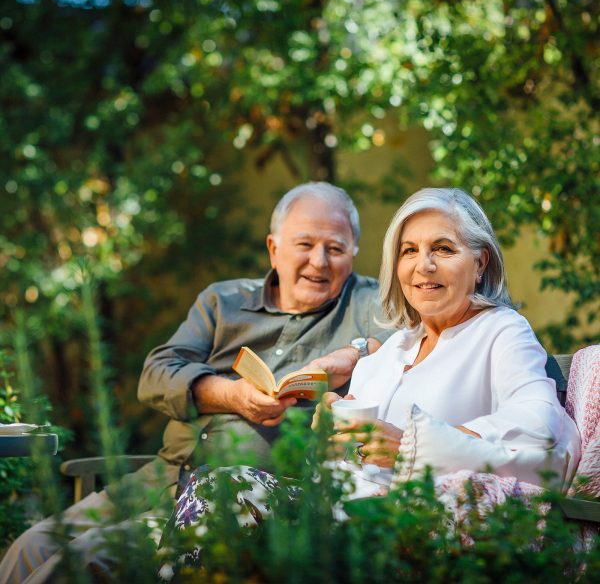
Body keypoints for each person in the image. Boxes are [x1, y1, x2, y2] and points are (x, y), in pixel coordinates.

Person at [164, 187, 581, 569]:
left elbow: (538, 427)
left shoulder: (501, 330)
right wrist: (329, 438)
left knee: (222, 494)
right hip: (340, 511)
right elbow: (338, 465)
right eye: (409, 251)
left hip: (406, 525)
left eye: (443, 248)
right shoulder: (396, 347)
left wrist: (411, 448)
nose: (424, 265)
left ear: (480, 261)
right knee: (215, 487)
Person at [0, 182, 391, 583]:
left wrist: (357, 350)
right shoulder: (223, 301)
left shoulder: (369, 305)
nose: (319, 262)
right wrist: (230, 395)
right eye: (304, 244)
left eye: (336, 248)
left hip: (232, 505)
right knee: (31, 548)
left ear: (354, 253)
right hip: (159, 477)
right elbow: (156, 373)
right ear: (274, 248)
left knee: (74, 565)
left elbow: (412, 346)